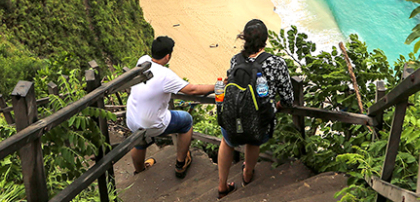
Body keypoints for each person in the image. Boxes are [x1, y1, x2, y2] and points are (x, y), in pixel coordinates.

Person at [216, 19, 294, 198]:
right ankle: (247, 175)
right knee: (254, 139)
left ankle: (222, 186)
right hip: (259, 125)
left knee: (227, 141)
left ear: (244, 38)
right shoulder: (276, 63)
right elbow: (288, 99)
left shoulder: (235, 60)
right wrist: (275, 106)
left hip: (232, 121)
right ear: (266, 39)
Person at [126, 36, 215, 178]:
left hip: (132, 118)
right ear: (168, 56)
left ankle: (139, 170)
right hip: (152, 124)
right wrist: (217, 86)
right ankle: (181, 164)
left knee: (139, 140)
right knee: (186, 121)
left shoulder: (142, 60)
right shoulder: (166, 75)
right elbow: (192, 90)